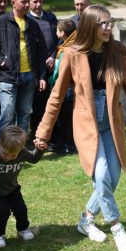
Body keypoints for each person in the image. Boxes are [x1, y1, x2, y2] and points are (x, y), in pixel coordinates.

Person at [33, 5, 126, 251]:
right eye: (102, 23)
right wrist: (43, 132)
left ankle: (86, 219)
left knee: (112, 176)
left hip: (111, 124)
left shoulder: (117, 51)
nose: (107, 27)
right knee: (101, 174)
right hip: (86, 125)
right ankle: (117, 227)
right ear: (90, 25)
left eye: (109, 22)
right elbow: (56, 96)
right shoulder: (72, 53)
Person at [0, 0, 47, 139]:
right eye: (24, 2)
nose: (27, 5)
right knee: (7, 115)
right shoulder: (1, 21)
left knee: (24, 115)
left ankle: (19, 149)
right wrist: (0, 59)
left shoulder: (32, 24)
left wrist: (41, 76)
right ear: (13, 3)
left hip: (29, 76)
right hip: (8, 76)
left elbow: (41, 51)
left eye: (28, 2)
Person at [29, 0, 59, 135]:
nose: (38, 4)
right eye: (35, 2)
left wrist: (53, 57)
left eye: (40, 1)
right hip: (35, 67)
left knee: (53, 101)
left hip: (52, 65)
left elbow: (58, 39)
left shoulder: (51, 17)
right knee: (37, 103)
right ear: (29, 3)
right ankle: (37, 134)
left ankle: (53, 135)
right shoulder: (27, 19)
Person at [48, 19, 77, 154]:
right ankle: (65, 143)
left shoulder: (67, 50)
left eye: (57, 30)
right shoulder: (67, 45)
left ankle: (68, 144)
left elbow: (60, 71)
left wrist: (52, 80)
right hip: (69, 87)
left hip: (67, 88)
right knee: (66, 117)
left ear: (62, 33)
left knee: (66, 117)